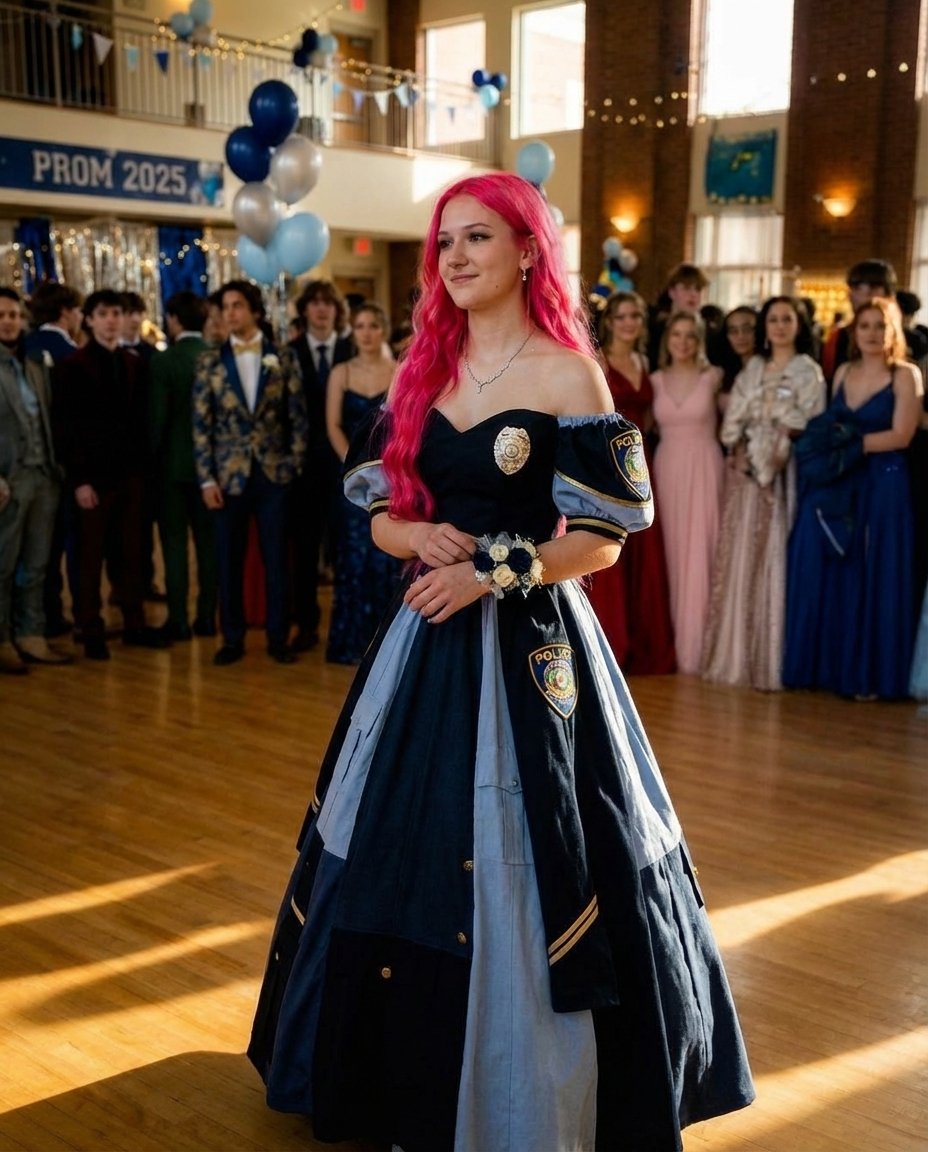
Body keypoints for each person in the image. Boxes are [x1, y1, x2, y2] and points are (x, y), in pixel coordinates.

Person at [247, 172, 754, 1151]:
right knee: (395, 832)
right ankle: (391, 1079)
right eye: (445, 242)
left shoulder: (569, 374)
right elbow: (378, 510)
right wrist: (414, 538)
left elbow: (603, 539)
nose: (456, 258)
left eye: (477, 238)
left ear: (527, 250)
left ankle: (528, 1092)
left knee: (548, 840)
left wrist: (491, 570)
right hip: (422, 639)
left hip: (531, 647)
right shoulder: (419, 368)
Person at [783, 298, 922, 699]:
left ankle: (872, 675)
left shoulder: (905, 374)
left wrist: (849, 445)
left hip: (885, 483)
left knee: (878, 571)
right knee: (843, 570)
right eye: (865, 326)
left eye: (881, 326)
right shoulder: (843, 371)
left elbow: (902, 435)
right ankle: (834, 668)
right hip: (843, 481)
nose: (873, 334)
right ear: (854, 332)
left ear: (893, 332)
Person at [702, 296, 825, 691]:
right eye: (773, 319)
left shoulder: (808, 371)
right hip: (746, 475)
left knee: (777, 553)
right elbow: (732, 423)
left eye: (787, 319)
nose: (780, 326)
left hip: (787, 474)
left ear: (799, 326)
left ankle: (773, 661)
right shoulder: (753, 368)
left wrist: (778, 436)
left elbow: (812, 422)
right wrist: (741, 444)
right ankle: (738, 654)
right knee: (742, 556)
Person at [193, 279, 308, 665]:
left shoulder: (282, 357)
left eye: (237, 305)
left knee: (277, 560)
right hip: (228, 477)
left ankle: (278, 637)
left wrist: (293, 464)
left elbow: (298, 416)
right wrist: (207, 478)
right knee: (228, 560)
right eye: (225, 307)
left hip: (274, 475)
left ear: (255, 311)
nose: (230, 313)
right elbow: (201, 425)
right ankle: (232, 638)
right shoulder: (210, 361)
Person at [52, 289, 167, 660]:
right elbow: (66, 428)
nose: (111, 320)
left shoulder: (134, 363)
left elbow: (141, 423)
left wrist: (143, 475)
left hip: (130, 476)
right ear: (89, 320)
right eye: (103, 314)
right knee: (89, 557)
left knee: (130, 554)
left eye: (116, 313)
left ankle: (134, 623)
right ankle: (90, 628)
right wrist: (80, 480)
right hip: (93, 478)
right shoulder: (72, 366)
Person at [585, 290, 676, 674]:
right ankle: (613, 643)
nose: (629, 323)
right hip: (609, 466)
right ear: (609, 322)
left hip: (643, 464)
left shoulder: (644, 362)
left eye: (635, 316)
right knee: (612, 553)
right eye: (621, 316)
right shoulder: (597, 361)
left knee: (644, 554)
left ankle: (644, 639)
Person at [324, 301, 403, 664]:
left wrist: (390, 471)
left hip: (394, 479)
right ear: (352, 332)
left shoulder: (400, 370)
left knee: (388, 559)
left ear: (383, 329)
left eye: (373, 325)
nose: (367, 333)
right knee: (353, 559)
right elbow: (332, 425)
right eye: (360, 326)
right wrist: (357, 470)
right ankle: (352, 643)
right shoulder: (340, 372)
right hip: (353, 482)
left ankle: (389, 646)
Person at [649, 311, 724, 674]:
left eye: (690, 335)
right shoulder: (655, 380)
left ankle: (702, 647)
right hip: (666, 469)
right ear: (668, 339)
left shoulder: (714, 377)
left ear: (700, 340)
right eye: (676, 334)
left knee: (703, 550)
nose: (683, 342)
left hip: (705, 468)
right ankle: (672, 644)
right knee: (670, 552)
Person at [0, 288, 69, 673]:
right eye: (1, 315)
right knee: (4, 564)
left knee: (38, 563)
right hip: (8, 479)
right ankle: (2, 638)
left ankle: (32, 634)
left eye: (13, 315)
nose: (8, 322)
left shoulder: (33, 364)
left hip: (44, 475)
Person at [287, 279, 357, 651]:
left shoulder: (351, 350)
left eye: (327, 303)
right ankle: (306, 624)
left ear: (336, 310)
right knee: (305, 549)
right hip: (303, 469)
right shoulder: (289, 352)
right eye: (314, 303)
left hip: (348, 464)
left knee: (346, 545)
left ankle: (348, 624)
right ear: (305, 311)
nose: (321, 309)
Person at [149, 291, 218, 641]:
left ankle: (177, 619)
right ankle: (207, 617)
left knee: (174, 544)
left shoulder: (164, 361)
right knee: (208, 546)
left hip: (171, 469)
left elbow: (157, 420)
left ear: (173, 320)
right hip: (211, 471)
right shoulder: (215, 356)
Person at [23, 281, 83, 639]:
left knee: (35, 548)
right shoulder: (72, 355)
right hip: (64, 463)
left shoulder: (24, 349)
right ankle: (61, 613)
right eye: (78, 311)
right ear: (65, 313)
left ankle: (40, 615)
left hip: (30, 460)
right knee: (64, 542)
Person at [820, 258, 896, 389]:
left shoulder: (910, 340)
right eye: (857, 287)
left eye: (874, 287)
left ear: (888, 293)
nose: (866, 294)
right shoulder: (840, 336)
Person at [647, 261, 710, 366]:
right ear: (672, 292)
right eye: (686, 288)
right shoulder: (656, 328)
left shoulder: (708, 330)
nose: (693, 294)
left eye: (698, 289)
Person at [718, 305, 757, 404]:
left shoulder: (771, 370)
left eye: (747, 329)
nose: (740, 336)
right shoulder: (722, 373)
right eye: (733, 331)